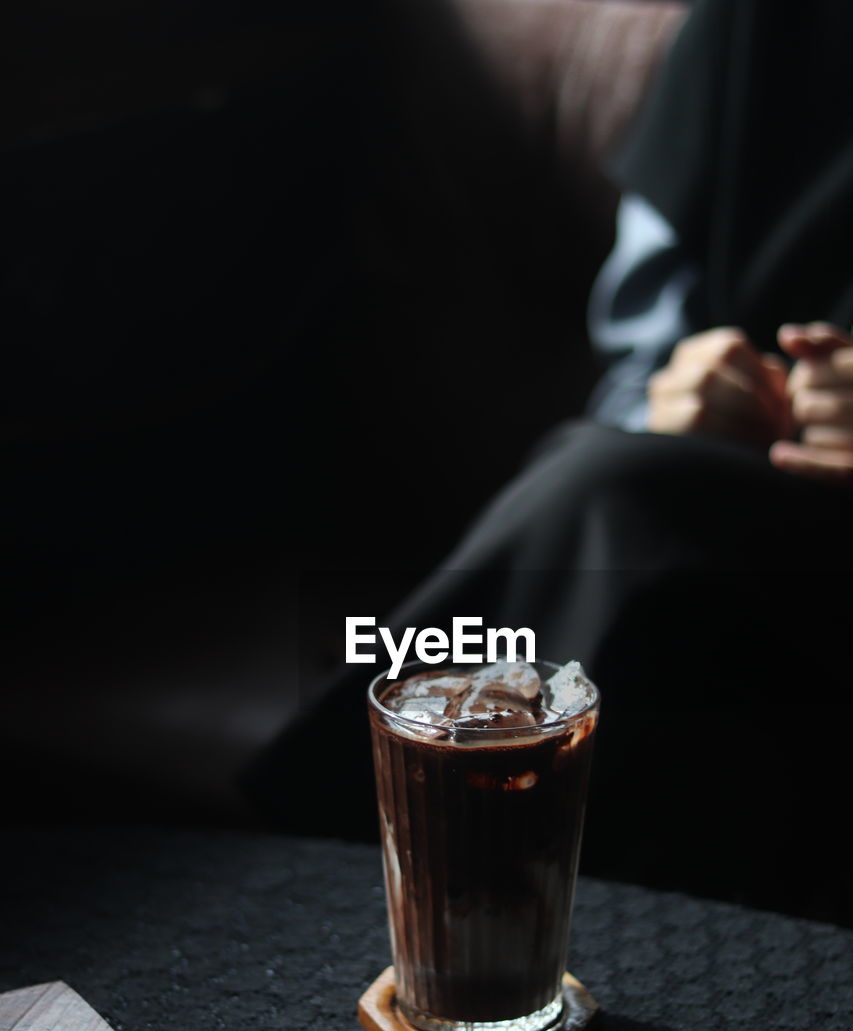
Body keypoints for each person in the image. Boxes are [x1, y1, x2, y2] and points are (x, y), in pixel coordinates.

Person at [244, 0, 853, 923]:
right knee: (628, 509)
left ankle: (305, 879)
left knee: (608, 495)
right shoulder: (753, 32)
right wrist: (676, 398)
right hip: (726, 546)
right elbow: (634, 380)